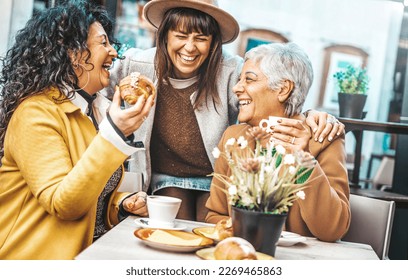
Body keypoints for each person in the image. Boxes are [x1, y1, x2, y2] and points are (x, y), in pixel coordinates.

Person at [104, 0, 344, 222]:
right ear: (164, 36)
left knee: (210, 223)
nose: (189, 47)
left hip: (214, 175)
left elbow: (274, 93)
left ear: (213, 42)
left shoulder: (232, 71)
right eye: (180, 35)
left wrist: (315, 115)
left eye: (201, 38)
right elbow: (96, 85)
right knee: (175, 221)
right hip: (162, 176)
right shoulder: (135, 65)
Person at [0, 0, 154, 260]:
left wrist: (121, 204)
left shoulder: (89, 111)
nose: (113, 53)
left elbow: (87, 193)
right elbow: (63, 203)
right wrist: (114, 135)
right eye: (103, 43)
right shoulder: (35, 113)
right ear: (73, 54)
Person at [205, 42, 350, 242]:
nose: (237, 88)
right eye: (239, 80)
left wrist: (303, 161)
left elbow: (333, 229)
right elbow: (215, 215)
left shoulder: (323, 138)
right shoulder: (233, 137)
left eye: (249, 80)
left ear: (283, 89)